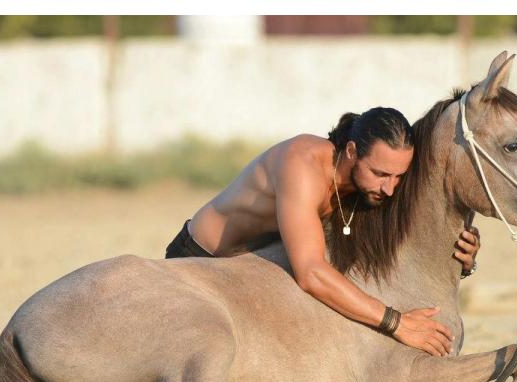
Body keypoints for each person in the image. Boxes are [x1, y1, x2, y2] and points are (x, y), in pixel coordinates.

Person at [165, 107, 481, 356]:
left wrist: (460, 255)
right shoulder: (301, 166)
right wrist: (396, 324)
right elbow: (311, 273)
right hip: (198, 263)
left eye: (398, 177)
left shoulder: (368, 185)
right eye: (380, 173)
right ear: (352, 151)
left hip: (256, 272)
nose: (389, 188)